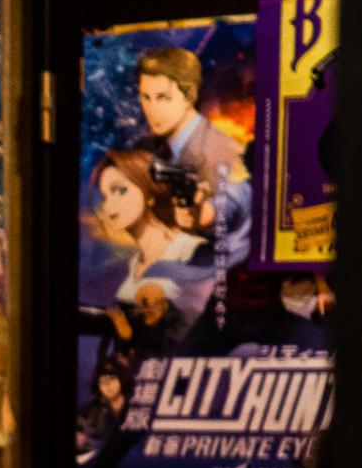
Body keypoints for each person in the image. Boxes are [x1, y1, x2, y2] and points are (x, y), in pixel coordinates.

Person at [137, 47, 253, 269]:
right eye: (146, 97)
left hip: (222, 266)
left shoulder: (220, 147)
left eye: (163, 97)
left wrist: (204, 216)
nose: (152, 109)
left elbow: (237, 195)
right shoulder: (158, 147)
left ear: (189, 96)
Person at [91, 148, 213, 322]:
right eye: (104, 196)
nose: (109, 205)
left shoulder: (190, 249)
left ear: (149, 193)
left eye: (120, 190)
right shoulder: (135, 263)